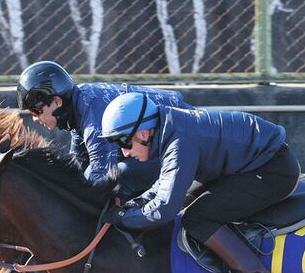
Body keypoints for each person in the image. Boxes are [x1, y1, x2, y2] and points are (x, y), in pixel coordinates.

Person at [99, 93, 301, 273]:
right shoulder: (170, 129)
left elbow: (164, 210)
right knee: (189, 200)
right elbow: (165, 185)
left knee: (198, 218)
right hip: (253, 164)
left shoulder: (178, 141)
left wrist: (121, 218)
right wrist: (135, 205)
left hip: (273, 170)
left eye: (124, 142)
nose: (124, 152)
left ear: (144, 132)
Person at [16, 61, 191, 199]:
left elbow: (103, 175)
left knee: (119, 176)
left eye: (35, 110)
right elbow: (77, 165)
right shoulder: (79, 105)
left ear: (57, 102)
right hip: (162, 143)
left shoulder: (93, 113)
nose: (34, 118)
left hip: (182, 140)